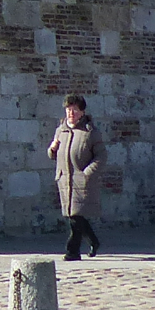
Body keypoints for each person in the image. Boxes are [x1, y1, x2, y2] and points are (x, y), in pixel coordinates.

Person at [47, 94, 103, 260]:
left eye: (75, 110)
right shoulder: (61, 130)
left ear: (82, 112)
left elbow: (101, 156)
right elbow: (52, 155)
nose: (71, 113)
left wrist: (88, 173)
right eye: (68, 109)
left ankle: (72, 251)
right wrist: (52, 148)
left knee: (75, 216)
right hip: (64, 179)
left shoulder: (90, 132)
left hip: (81, 180)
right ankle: (93, 240)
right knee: (73, 215)